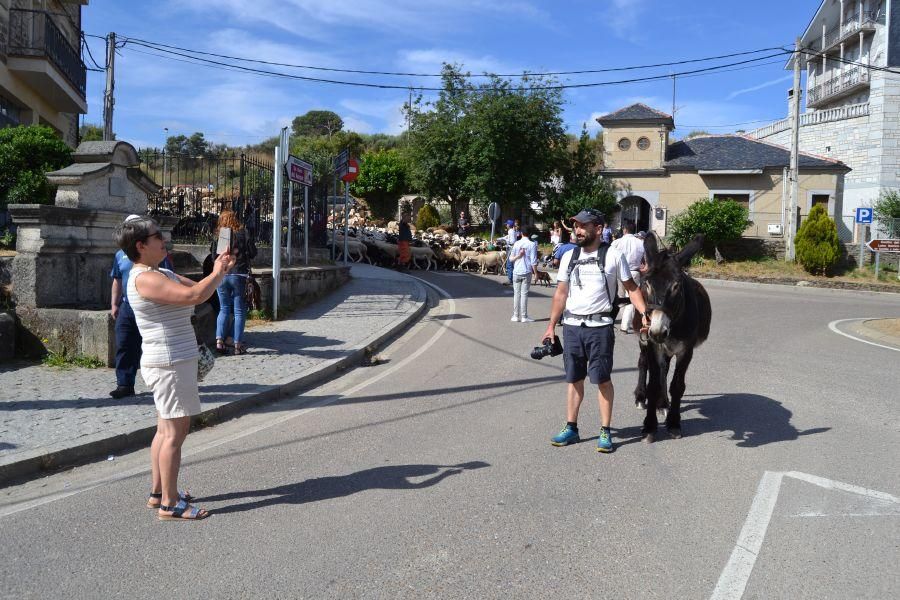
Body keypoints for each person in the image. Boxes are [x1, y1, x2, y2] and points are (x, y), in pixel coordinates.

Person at [116, 215, 235, 520]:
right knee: (175, 433)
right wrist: (218, 273)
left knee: (164, 430)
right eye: (158, 236)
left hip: (172, 360)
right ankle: (171, 503)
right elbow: (194, 296)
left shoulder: (161, 272)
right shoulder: (145, 278)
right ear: (141, 246)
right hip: (170, 362)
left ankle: (158, 493)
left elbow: (201, 289)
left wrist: (218, 270)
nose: (164, 240)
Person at [541, 209, 649, 453]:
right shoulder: (570, 256)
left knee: (601, 379)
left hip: (599, 328)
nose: (577, 230)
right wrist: (550, 326)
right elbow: (561, 293)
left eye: (583, 226)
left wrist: (644, 313)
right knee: (573, 379)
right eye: (575, 226)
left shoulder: (613, 255)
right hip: (572, 327)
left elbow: (631, 288)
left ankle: (605, 430)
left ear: (598, 229)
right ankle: (571, 428)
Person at [109, 214, 174, 399]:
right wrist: (114, 303)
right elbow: (117, 279)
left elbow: (169, 277)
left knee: (153, 344)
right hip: (128, 306)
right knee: (124, 344)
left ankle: (159, 382)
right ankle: (124, 383)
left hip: (150, 306)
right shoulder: (119, 255)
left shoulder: (158, 255)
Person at [210, 210, 257, 354]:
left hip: (222, 275)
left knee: (224, 308)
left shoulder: (220, 235)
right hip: (239, 274)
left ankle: (219, 341)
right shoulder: (243, 233)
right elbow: (253, 252)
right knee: (239, 311)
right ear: (234, 219)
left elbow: (213, 257)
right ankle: (237, 345)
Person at [610, 219, 645, 334]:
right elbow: (646, 262)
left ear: (624, 229)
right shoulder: (640, 243)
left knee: (620, 297)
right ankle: (626, 324)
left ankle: (623, 321)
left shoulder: (616, 243)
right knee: (631, 298)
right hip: (634, 272)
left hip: (619, 272)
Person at [510, 230, 539, 322]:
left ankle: (515, 316)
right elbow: (533, 261)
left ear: (521, 233)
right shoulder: (532, 244)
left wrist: (519, 256)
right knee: (524, 294)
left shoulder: (516, 243)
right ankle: (524, 316)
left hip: (516, 271)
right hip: (526, 271)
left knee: (516, 294)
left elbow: (511, 259)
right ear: (530, 234)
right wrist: (536, 273)